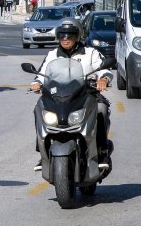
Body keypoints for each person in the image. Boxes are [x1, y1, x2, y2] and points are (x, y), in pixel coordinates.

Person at [30, 18, 113, 171]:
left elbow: (105, 69)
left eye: (70, 35)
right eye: (62, 35)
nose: (66, 39)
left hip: (86, 95)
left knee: (101, 109)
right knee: (38, 109)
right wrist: (36, 83)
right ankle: (43, 153)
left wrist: (104, 79)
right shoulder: (52, 54)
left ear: (78, 36)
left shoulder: (90, 53)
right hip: (58, 97)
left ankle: (102, 151)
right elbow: (41, 75)